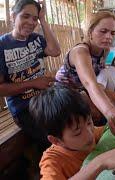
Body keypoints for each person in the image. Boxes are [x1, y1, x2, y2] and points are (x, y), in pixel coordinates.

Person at [29, 85, 115, 179]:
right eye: (77, 133)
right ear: (56, 140)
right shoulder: (52, 161)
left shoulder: (94, 133)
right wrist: (99, 163)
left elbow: (108, 130)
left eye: (89, 122)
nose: (89, 134)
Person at [55, 11, 115, 137]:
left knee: (104, 108)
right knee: (99, 113)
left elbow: (99, 76)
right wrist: (110, 112)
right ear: (90, 32)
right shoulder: (81, 52)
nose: (108, 37)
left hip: (83, 91)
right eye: (103, 31)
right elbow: (90, 83)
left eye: (112, 33)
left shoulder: (105, 50)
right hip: (62, 95)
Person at [0, 0, 60, 145]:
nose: (30, 22)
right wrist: (33, 83)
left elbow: (55, 51)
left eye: (34, 18)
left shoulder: (36, 39)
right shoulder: (2, 46)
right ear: (13, 17)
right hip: (24, 108)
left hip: (46, 98)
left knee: (75, 116)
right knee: (55, 139)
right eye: (25, 16)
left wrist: (43, 20)